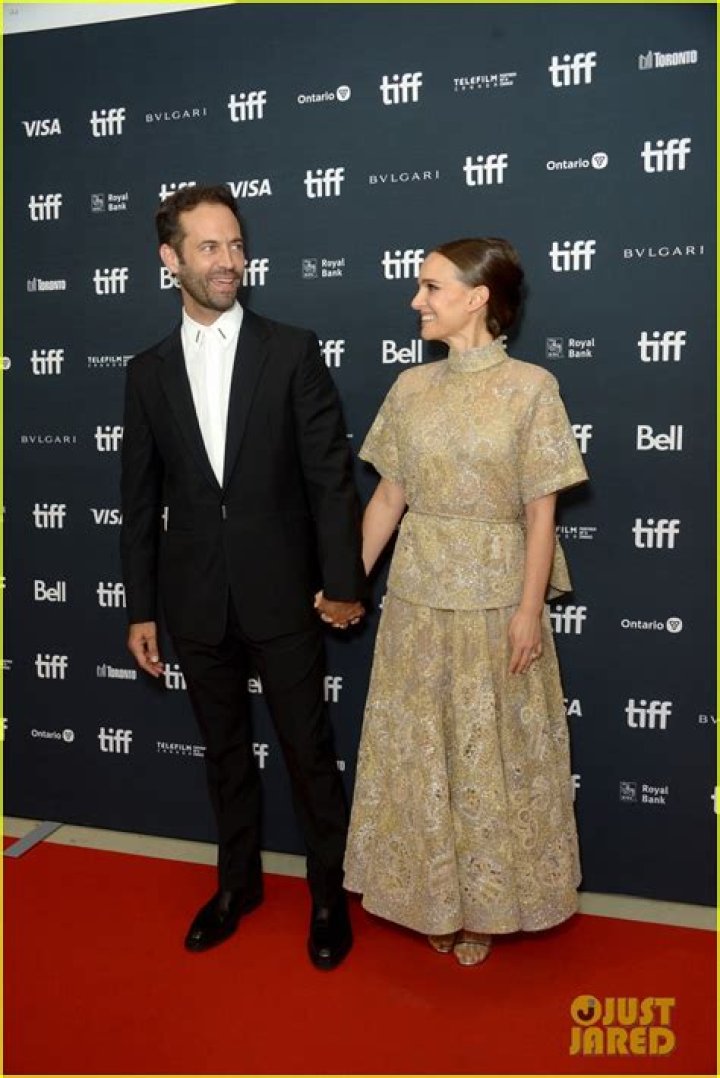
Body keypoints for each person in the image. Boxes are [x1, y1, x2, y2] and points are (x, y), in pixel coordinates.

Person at [120, 184, 365, 969]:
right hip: (194, 596)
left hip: (285, 593)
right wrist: (141, 608)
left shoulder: (291, 347)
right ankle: (238, 886)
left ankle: (328, 896)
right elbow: (138, 501)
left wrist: (343, 581)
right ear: (171, 260)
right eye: (210, 248)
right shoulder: (146, 370)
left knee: (306, 751)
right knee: (222, 752)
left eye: (236, 245)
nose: (230, 261)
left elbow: (331, 479)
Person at [343, 237, 588, 966]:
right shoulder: (409, 388)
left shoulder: (531, 387)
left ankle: (486, 903)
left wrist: (528, 608)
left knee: (489, 760)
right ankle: (431, 897)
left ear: (479, 298)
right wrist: (347, 583)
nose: (417, 300)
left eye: (431, 288)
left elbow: (540, 512)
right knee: (423, 756)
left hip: (493, 598)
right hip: (417, 600)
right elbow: (390, 496)